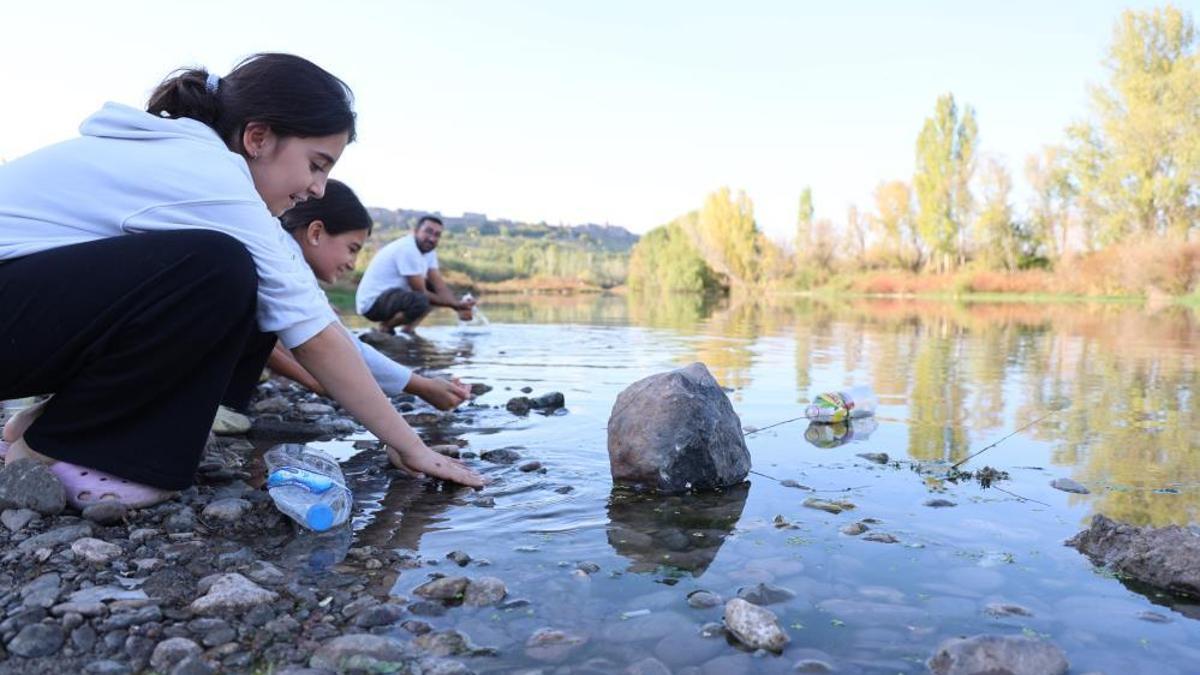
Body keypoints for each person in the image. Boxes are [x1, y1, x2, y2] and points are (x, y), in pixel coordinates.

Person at [0, 53, 483, 510]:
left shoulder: (207, 172)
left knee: (237, 280)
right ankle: (57, 452)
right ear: (257, 138)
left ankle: (60, 424)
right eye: (317, 164)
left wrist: (411, 391)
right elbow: (314, 337)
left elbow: (316, 319)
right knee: (216, 267)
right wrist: (411, 445)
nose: (318, 188)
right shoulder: (208, 174)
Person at [254, 179, 472, 410]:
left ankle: (402, 333)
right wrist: (422, 387)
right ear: (316, 232)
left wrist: (319, 382)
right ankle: (388, 330)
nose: (352, 265)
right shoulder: (282, 263)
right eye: (352, 249)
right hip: (376, 303)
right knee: (420, 299)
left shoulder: (285, 256)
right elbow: (344, 348)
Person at [354, 215, 476, 334]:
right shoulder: (408, 249)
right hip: (372, 304)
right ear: (416, 231)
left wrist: (459, 306)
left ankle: (408, 330)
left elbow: (439, 286)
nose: (432, 238)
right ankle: (385, 328)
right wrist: (457, 306)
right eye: (428, 232)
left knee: (431, 290)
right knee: (421, 299)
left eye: (437, 235)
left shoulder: (429, 251)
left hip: (392, 298)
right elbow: (420, 291)